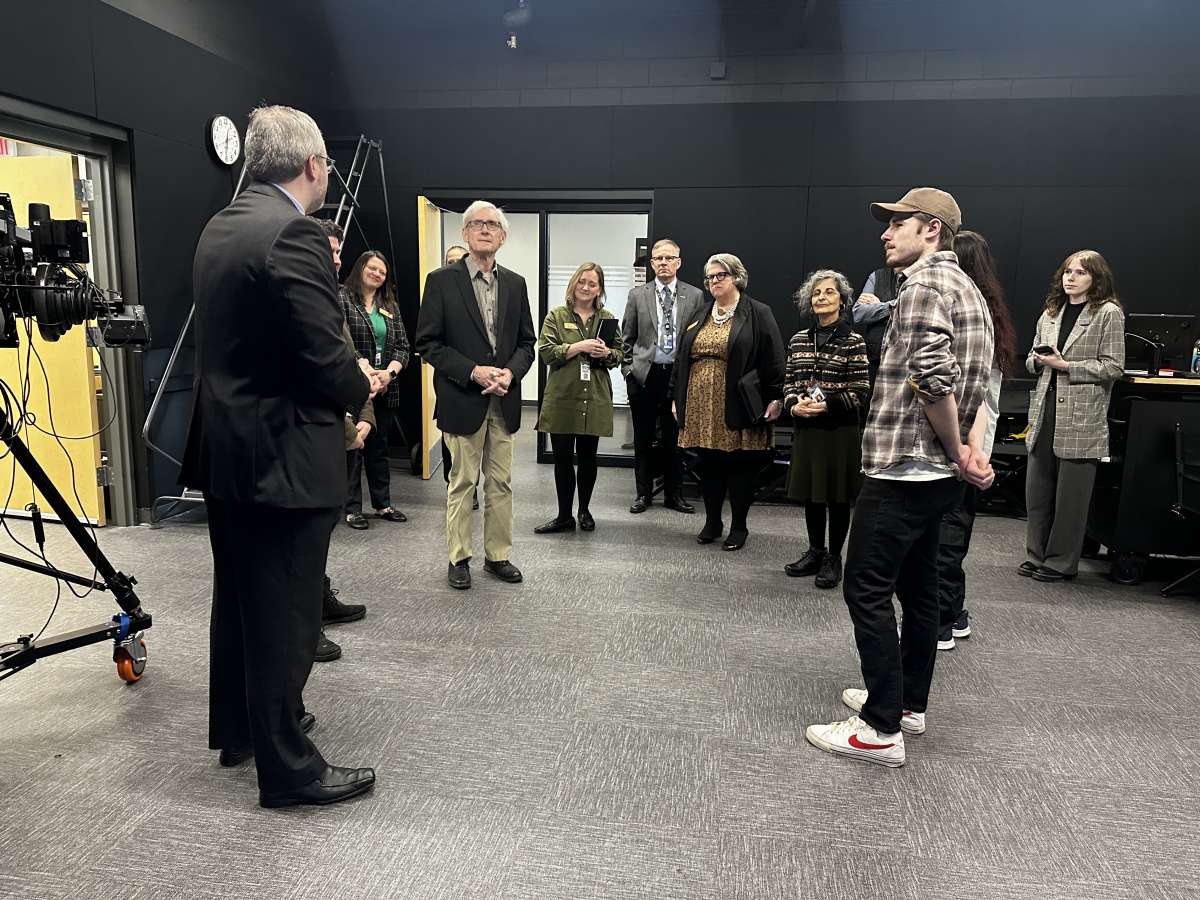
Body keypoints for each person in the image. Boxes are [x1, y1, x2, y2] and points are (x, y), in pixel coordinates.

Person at [180, 105, 377, 807]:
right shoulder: (295, 231)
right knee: (287, 615)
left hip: (229, 451)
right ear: (315, 166)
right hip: (283, 456)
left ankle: (241, 730)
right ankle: (290, 768)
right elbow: (322, 353)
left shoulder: (224, 223)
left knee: (239, 601)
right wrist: (363, 390)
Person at [805, 188, 994, 769]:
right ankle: (908, 701)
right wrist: (966, 451)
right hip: (933, 471)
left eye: (897, 224)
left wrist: (958, 448)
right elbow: (985, 383)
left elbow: (934, 381)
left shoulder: (923, 286)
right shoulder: (968, 288)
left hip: (907, 466)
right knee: (917, 587)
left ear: (932, 229)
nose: (885, 234)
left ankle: (880, 728)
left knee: (864, 586)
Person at [414, 200, 535, 590]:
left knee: (500, 483)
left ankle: (498, 555)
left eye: (492, 225)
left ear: (502, 237)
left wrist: (510, 374)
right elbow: (428, 343)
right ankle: (459, 557)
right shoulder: (441, 281)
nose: (485, 229)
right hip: (461, 399)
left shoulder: (516, 284)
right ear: (465, 234)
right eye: (477, 224)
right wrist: (472, 371)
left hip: (503, 399)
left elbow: (526, 343)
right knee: (462, 483)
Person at [936, 230, 1018, 650]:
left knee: (944, 538)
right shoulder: (991, 311)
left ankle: (941, 625)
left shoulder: (969, 312)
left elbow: (978, 396)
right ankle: (955, 613)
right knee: (953, 532)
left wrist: (966, 451)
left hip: (963, 443)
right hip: (971, 442)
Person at [1023, 250, 1125, 583]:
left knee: (1071, 497)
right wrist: (1039, 361)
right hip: (1046, 407)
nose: (1071, 277)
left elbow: (1113, 367)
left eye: (1080, 272)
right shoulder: (1052, 311)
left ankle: (1061, 561)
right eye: (1068, 271)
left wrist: (1066, 366)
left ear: (1096, 278)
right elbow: (1031, 358)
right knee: (1038, 491)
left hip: (1082, 413)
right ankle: (1036, 555)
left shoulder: (1108, 313)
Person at [672, 253, 785, 551]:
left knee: (739, 468)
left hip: (738, 401)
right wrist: (676, 397)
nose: (713, 282)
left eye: (719, 275)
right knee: (709, 465)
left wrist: (776, 397)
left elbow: (774, 359)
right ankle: (712, 522)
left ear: (736, 277)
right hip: (699, 403)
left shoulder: (758, 312)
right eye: (709, 277)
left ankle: (738, 526)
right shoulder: (700, 313)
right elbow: (680, 359)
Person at [782, 270, 869, 590]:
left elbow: (860, 390)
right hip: (808, 429)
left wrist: (827, 404)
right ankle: (815, 551)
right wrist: (794, 405)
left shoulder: (853, 340)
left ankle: (834, 557)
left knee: (837, 497)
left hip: (839, 431)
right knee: (813, 496)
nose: (821, 297)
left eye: (829, 292)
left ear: (842, 301)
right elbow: (789, 383)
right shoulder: (798, 339)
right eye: (816, 293)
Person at [534, 263, 625, 533]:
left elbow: (620, 354)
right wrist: (578, 347)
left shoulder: (607, 319)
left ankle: (584, 510)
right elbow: (546, 352)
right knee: (562, 457)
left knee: (588, 457)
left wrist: (606, 353)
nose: (586, 287)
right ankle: (564, 515)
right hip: (562, 396)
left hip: (594, 396)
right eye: (582, 281)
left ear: (600, 289)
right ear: (574, 283)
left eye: (592, 284)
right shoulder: (557, 316)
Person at [621, 239, 705, 514]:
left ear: (679, 262)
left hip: (678, 376)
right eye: (658, 259)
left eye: (669, 258)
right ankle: (643, 494)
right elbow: (627, 338)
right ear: (652, 263)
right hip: (645, 375)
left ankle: (674, 495)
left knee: (675, 439)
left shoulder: (693, 296)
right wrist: (628, 371)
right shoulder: (637, 295)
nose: (663, 263)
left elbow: (696, 339)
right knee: (643, 438)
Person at [340, 250, 411, 529]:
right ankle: (352, 508)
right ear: (360, 268)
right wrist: (364, 370)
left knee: (379, 450)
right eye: (372, 268)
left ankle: (382, 504)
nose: (377, 274)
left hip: (385, 388)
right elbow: (340, 340)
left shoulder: (390, 306)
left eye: (382, 271)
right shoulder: (343, 298)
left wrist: (388, 374)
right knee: (354, 448)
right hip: (353, 386)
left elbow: (403, 347)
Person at [440, 243, 479, 510]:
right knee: (450, 440)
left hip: (479, 381)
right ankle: (453, 485)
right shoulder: (437, 290)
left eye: (460, 259)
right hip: (449, 380)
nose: (455, 263)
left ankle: (472, 488)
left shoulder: (478, 292)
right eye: (450, 260)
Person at [852, 265, 904, 388]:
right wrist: (891, 306)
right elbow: (858, 313)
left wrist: (879, 306)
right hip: (876, 362)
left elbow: (914, 307)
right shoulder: (877, 276)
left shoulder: (920, 278)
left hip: (905, 362)